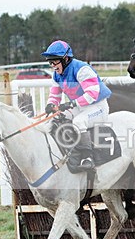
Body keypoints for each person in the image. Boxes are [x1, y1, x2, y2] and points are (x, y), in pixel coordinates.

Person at [41, 40, 112, 172]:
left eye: (55, 61)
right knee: (56, 118)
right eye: (50, 62)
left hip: (98, 107)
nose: (53, 66)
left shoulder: (82, 69)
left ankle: (88, 158)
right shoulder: (57, 75)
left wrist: (71, 103)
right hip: (80, 107)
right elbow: (55, 95)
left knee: (79, 122)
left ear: (66, 58)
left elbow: (92, 94)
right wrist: (51, 105)